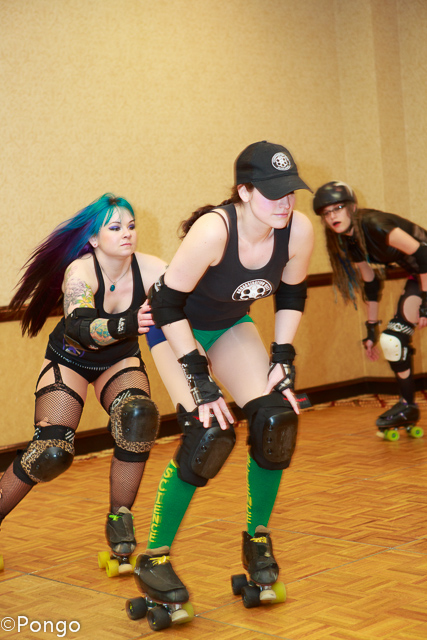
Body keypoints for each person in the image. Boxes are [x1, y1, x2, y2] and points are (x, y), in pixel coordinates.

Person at [131, 141, 314, 616]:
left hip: (230, 325)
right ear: (244, 191)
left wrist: (283, 356)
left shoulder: (297, 230)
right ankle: (154, 557)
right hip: (175, 329)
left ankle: (258, 540)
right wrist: (199, 376)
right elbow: (166, 304)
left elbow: (291, 292)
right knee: (208, 433)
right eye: (272, 192)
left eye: (290, 191)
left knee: (276, 420)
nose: (285, 202)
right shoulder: (215, 231)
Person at [0, 193, 166, 570]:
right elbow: (80, 328)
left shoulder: (153, 268)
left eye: (131, 226)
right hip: (70, 359)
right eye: (115, 227)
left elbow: (192, 297)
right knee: (51, 450)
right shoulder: (80, 271)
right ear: (93, 238)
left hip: (118, 360)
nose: (127, 233)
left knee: (138, 418)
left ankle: (119, 521)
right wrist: (128, 323)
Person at [313, 181, 427, 430]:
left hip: (424, 273)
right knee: (393, 340)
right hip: (418, 278)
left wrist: (426, 302)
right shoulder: (351, 240)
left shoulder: (375, 224)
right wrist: (371, 328)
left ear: (352, 208)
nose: (332, 216)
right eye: (326, 213)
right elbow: (371, 283)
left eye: (337, 208)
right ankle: (408, 406)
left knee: (395, 338)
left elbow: (423, 254)